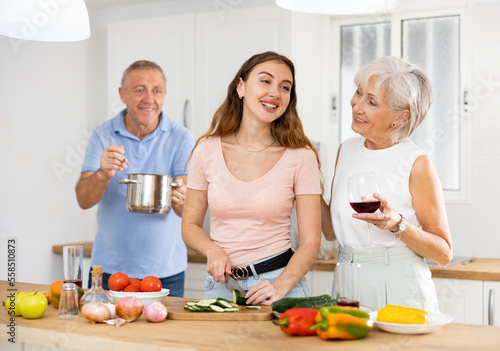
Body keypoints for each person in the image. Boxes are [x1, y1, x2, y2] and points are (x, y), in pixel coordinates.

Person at [181, 51, 322, 305]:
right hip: (222, 286)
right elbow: (190, 225)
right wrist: (212, 251)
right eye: (265, 81)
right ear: (241, 87)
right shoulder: (206, 150)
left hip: (279, 283)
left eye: (284, 87)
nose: (275, 93)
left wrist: (278, 288)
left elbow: (311, 243)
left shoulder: (301, 157)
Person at [322, 56, 453, 312]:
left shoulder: (417, 163)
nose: (356, 106)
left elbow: (444, 254)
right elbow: (330, 233)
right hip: (347, 278)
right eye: (358, 93)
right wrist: (306, 181)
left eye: (371, 102)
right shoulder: (346, 150)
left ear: (400, 117)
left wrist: (398, 224)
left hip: (398, 282)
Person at [75, 60, 195, 296]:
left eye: (156, 90)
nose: (149, 99)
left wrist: (183, 200)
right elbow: (83, 200)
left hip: (166, 271)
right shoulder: (103, 135)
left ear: (164, 95)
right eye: (139, 90)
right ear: (122, 94)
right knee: (103, 331)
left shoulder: (181, 138)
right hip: (109, 270)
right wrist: (103, 173)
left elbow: (187, 209)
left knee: (163, 333)